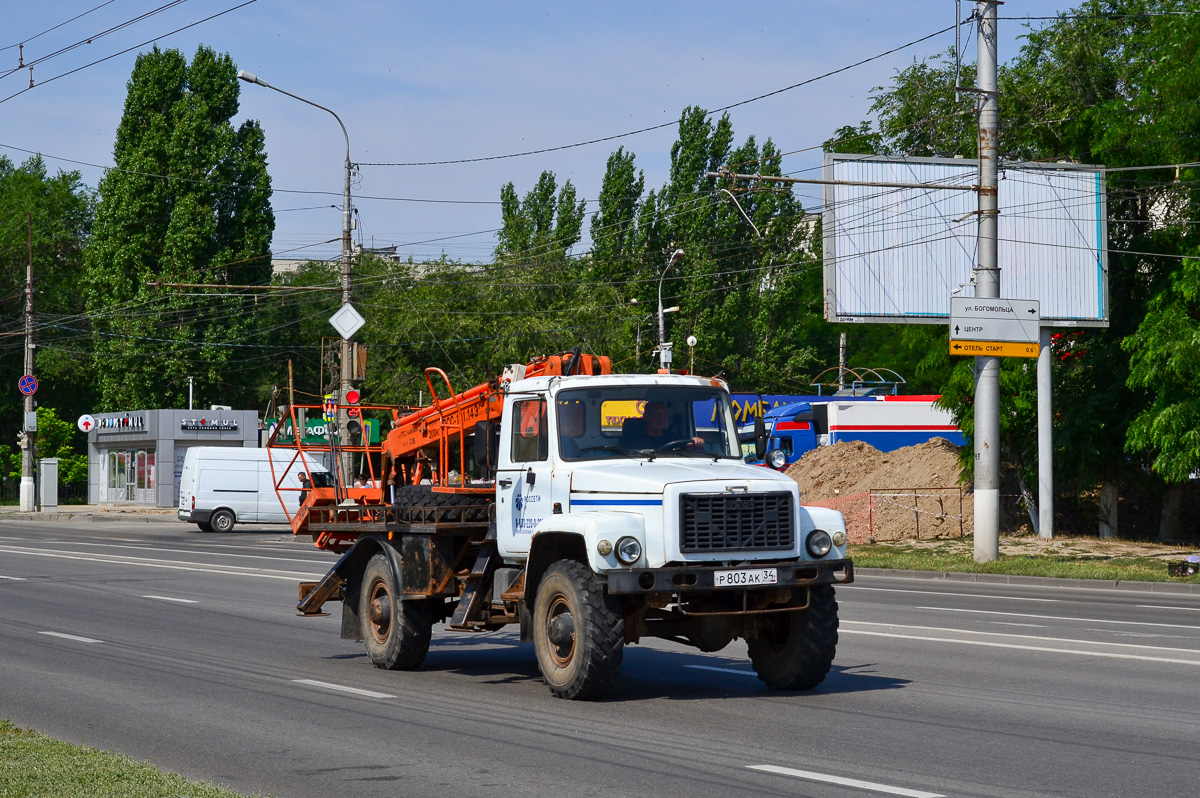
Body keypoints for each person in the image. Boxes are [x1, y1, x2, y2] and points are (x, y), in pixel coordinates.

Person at [620, 401, 703, 450]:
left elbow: (688, 449)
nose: (662, 418)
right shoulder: (633, 441)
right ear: (646, 417)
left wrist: (697, 443)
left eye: (664, 414)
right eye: (657, 414)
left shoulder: (674, 438)